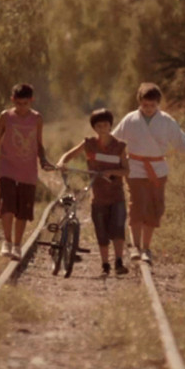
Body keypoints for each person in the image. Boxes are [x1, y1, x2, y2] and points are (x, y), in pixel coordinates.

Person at [112, 82, 185, 265]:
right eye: (145, 105)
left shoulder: (166, 120)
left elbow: (180, 138)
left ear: (158, 104)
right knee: (137, 205)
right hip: (136, 167)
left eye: (152, 105)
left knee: (154, 207)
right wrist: (107, 158)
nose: (148, 109)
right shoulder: (130, 119)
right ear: (139, 102)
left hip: (158, 169)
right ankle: (135, 246)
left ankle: (146, 248)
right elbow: (115, 140)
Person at [0, 83, 54, 260]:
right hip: (7, 168)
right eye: (18, 104)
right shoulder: (6, 117)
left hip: (28, 171)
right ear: (12, 100)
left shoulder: (37, 119)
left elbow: (38, 143)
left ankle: (17, 245)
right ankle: (7, 242)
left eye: (25, 104)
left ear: (31, 101)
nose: (21, 108)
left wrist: (43, 160)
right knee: (7, 206)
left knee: (22, 211)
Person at [55, 108, 131, 276]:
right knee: (101, 231)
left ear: (111, 125)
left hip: (116, 195)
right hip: (98, 197)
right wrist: (62, 162)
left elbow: (126, 170)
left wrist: (112, 173)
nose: (102, 128)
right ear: (94, 127)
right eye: (98, 125)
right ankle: (105, 265)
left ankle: (118, 262)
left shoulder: (119, 146)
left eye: (105, 124)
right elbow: (70, 154)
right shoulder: (89, 143)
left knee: (118, 229)